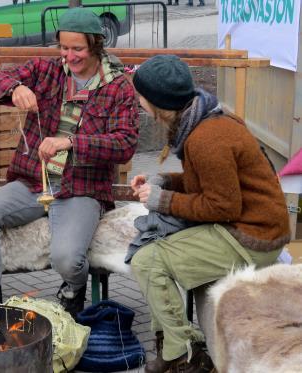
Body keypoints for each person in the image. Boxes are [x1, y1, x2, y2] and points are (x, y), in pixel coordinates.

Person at [0, 7, 138, 317]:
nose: (69, 56)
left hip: (81, 188)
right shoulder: (46, 71)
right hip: (33, 180)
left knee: (67, 259)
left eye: (78, 49)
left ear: (96, 45)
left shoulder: (118, 86)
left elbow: (125, 144)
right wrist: (14, 88)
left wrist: (72, 143)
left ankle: (73, 289)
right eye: (64, 47)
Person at [129, 55, 290, 373]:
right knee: (149, 249)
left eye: (141, 96)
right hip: (248, 224)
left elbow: (221, 206)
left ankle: (183, 355)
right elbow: (205, 183)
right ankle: (172, 345)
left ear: (159, 102)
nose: (138, 102)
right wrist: (162, 181)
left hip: (253, 235)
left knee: (146, 261)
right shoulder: (202, 118)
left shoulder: (206, 138)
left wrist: (163, 201)